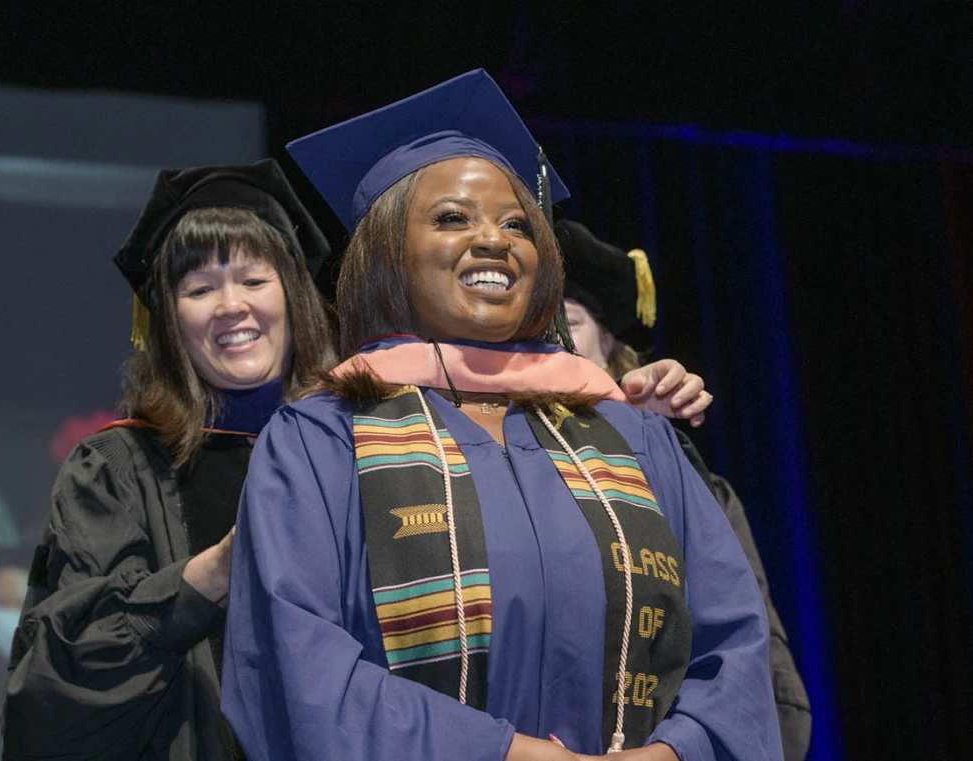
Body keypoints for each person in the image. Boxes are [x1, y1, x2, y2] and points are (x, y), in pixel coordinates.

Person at [222, 70, 783, 761]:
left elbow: (736, 644)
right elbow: (295, 661)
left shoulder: (630, 433)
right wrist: (506, 753)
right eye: (453, 218)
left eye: (517, 223)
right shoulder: (324, 437)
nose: (495, 239)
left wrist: (674, 753)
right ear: (386, 255)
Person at [0, 160, 338, 761]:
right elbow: (53, 688)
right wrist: (214, 571)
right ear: (168, 320)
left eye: (254, 280)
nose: (231, 306)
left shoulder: (362, 445)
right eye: (200, 288)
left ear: (293, 293)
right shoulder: (115, 470)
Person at [555, 218, 811, 761]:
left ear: (608, 340)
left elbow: (751, 657)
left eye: (569, 321)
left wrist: (646, 447)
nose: (555, 339)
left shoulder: (682, 471)